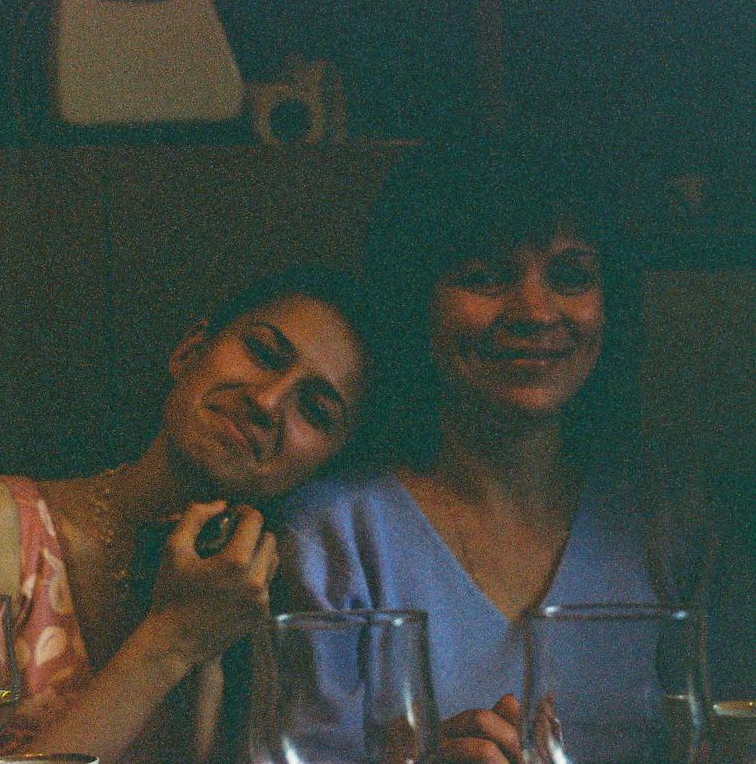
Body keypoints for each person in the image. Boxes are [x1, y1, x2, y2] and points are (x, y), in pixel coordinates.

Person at [274, 138, 740, 763]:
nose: (535, 312)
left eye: (570, 276)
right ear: (414, 299)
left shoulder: (674, 518)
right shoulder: (336, 530)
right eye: (486, 278)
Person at [0, 266, 377, 763]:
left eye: (315, 411)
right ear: (190, 350)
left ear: (326, 466)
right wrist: (172, 640)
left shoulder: (296, 598)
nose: (266, 400)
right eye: (263, 353)